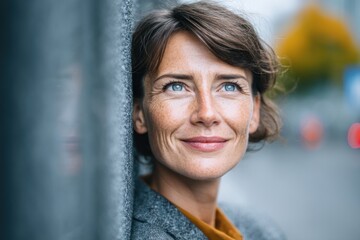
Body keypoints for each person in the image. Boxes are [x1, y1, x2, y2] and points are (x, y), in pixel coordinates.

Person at [131, 1, 284, 239]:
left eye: (230, 86)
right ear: (139, 113)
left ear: (254, 111)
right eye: (177, 86)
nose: (207, 114)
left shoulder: (261, 230)